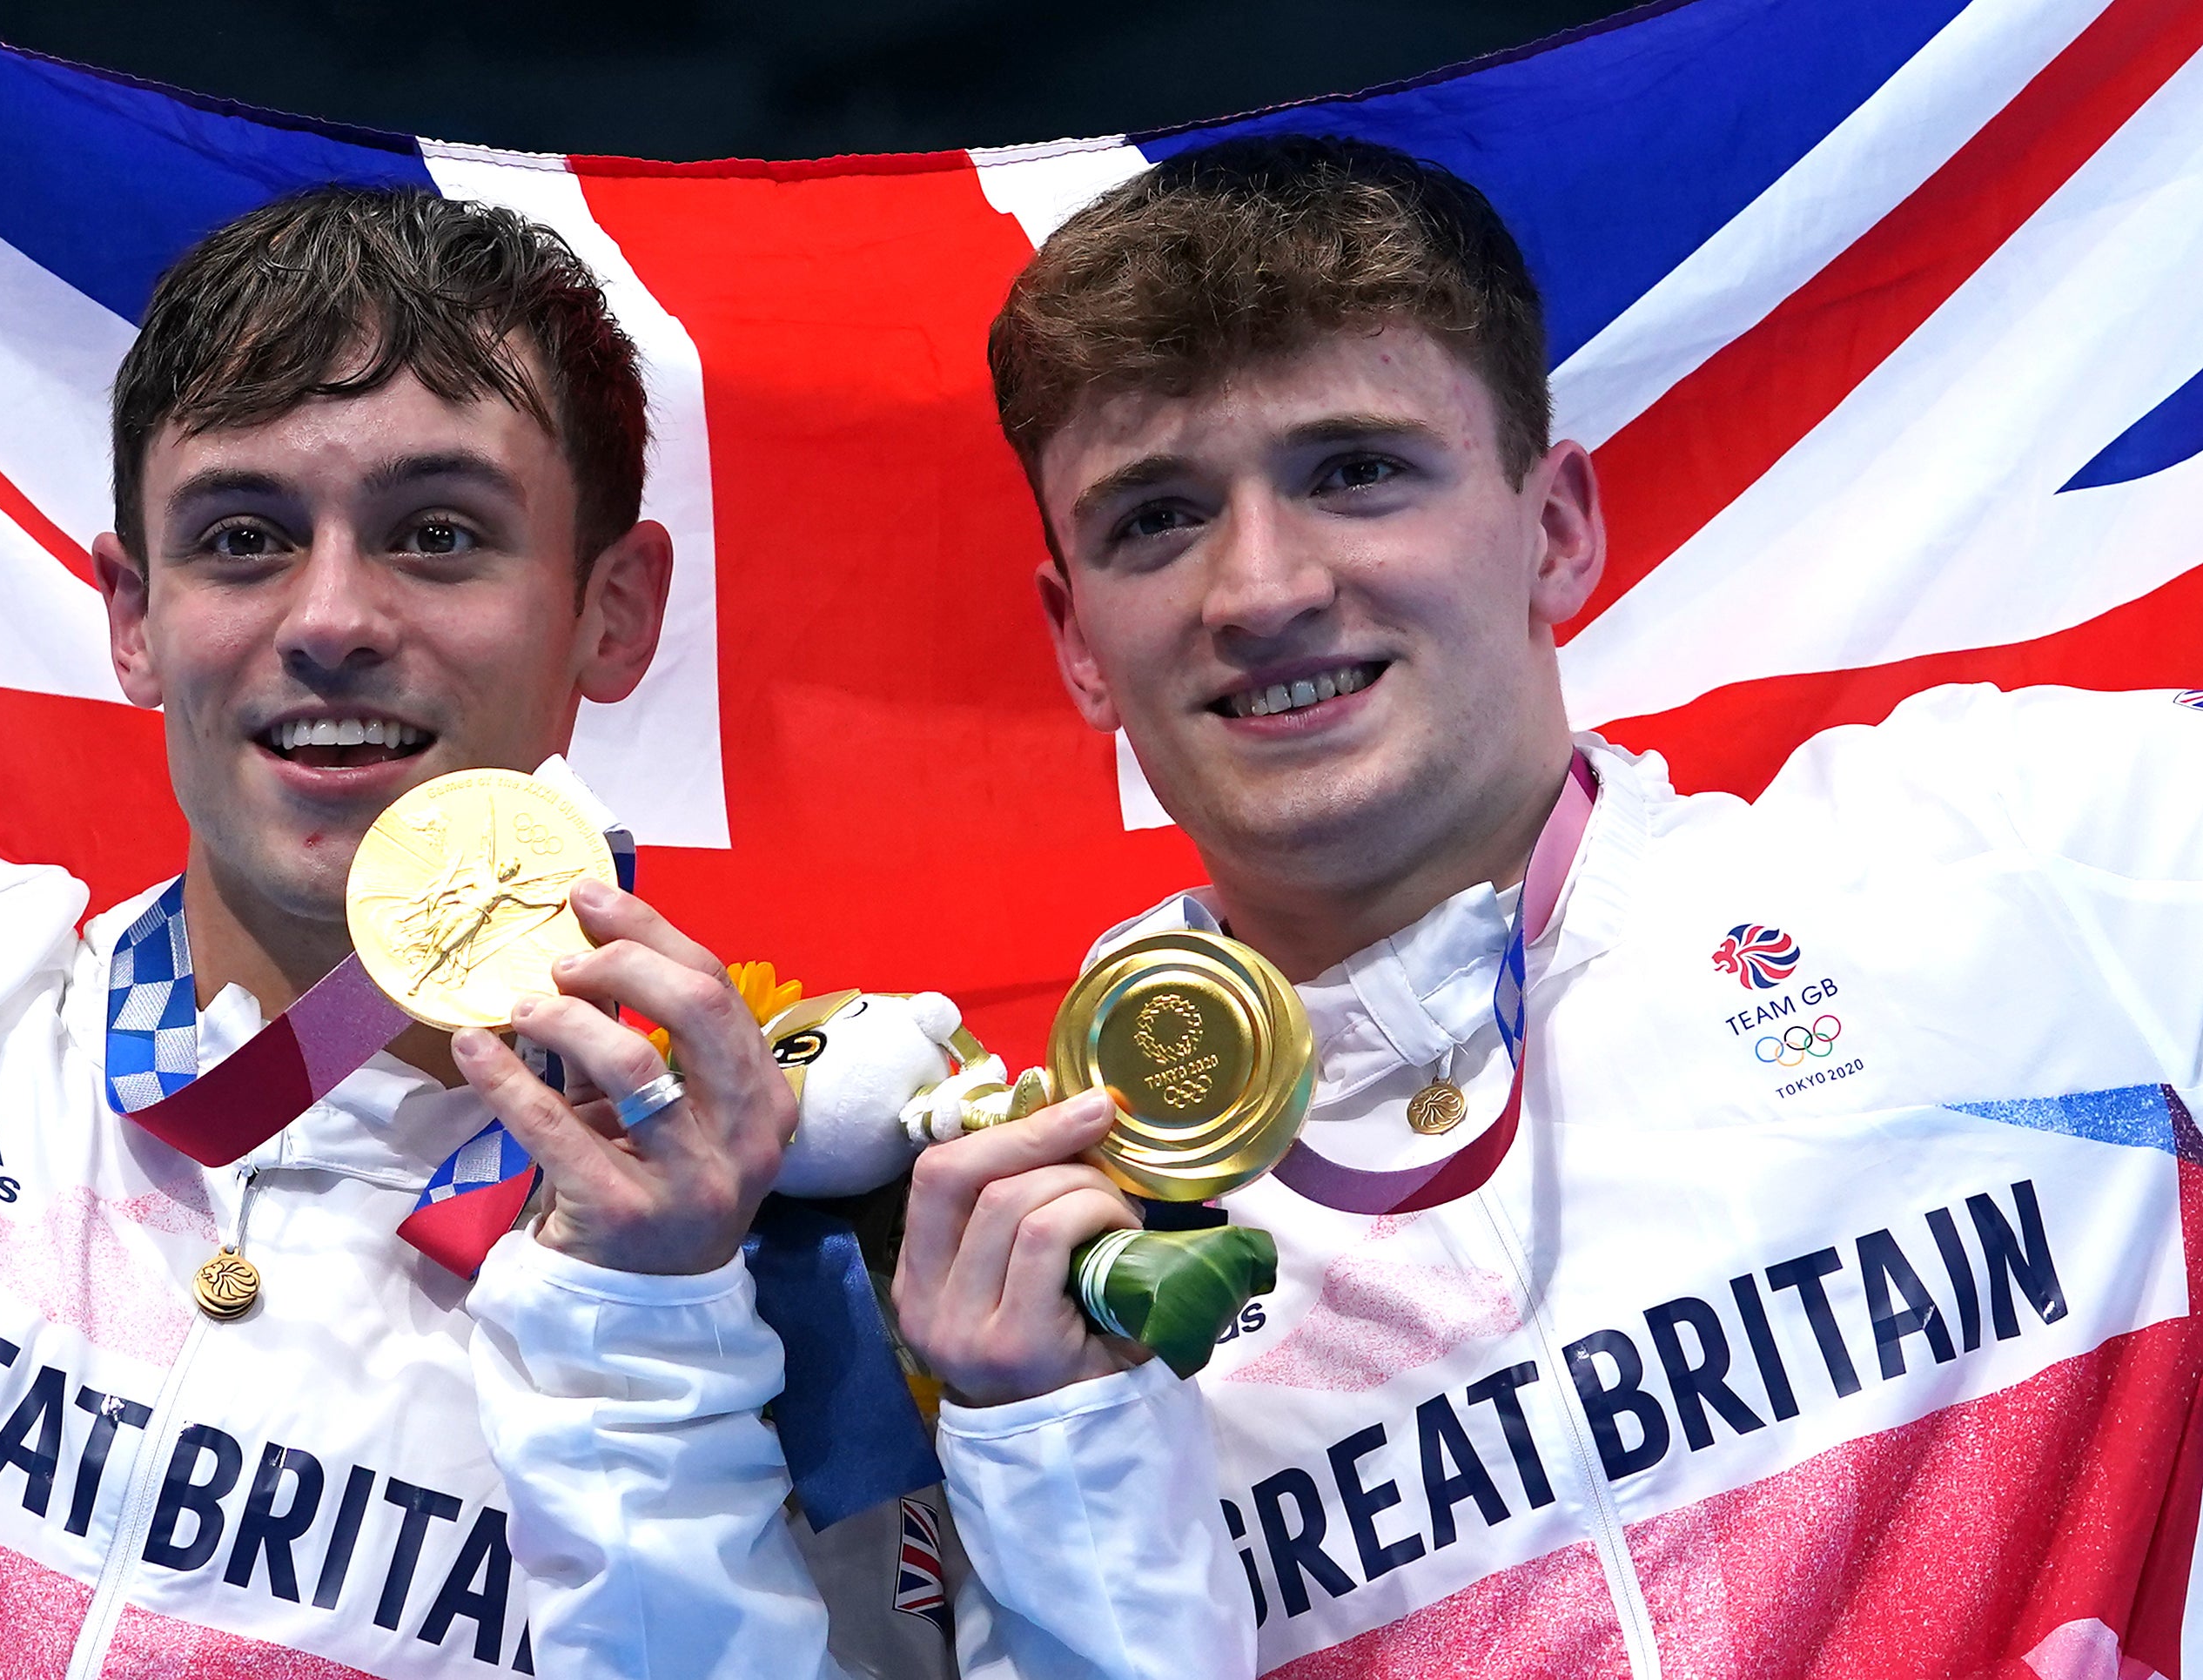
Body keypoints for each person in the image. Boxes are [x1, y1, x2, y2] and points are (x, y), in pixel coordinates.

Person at [0, 184, 930, 1680]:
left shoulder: (757, 1297)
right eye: (240, 536)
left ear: (613, 611)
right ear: (133, 614)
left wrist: (646, 1337)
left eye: (435, 533)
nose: (331, 615)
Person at [894, 131, 2203, 1676]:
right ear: (1078, 644)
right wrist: (1051, 1456)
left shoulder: (2034, 853)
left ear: (1557, 527)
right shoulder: (1023, 1285)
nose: (1257, 589)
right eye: (1154, 518)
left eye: (1355, 470)